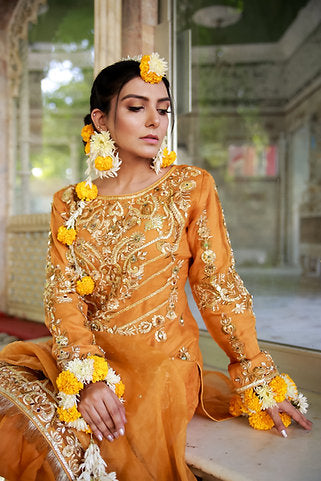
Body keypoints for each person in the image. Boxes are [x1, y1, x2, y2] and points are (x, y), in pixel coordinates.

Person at [0, 54, 312, 481]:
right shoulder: (71, 203)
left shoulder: (189, 187)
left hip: (159, 370)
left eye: (162, 109)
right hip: (84, 361)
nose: (154, 121)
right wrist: (87, 378)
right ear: (102, 119)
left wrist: (256, 373)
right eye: (135, 107)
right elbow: (62, 293)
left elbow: (216, 284)